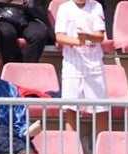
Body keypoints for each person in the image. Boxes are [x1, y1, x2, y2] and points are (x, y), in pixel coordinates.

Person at [54, 0, 109, 136]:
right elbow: (60, 36)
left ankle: (102, 151)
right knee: (71, 109)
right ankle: (71, 152)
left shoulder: (96, 7)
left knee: (100, 110)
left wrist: (86, 37)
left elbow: (100, 36)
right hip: (72, 64)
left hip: (94, 64)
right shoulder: (64, 8)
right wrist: (78, 42)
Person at [0, 0, 52, 64]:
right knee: (5, 33)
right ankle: (13, 65)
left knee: (39, 34)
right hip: (2, 14)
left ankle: (27, 66)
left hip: (26, 14)